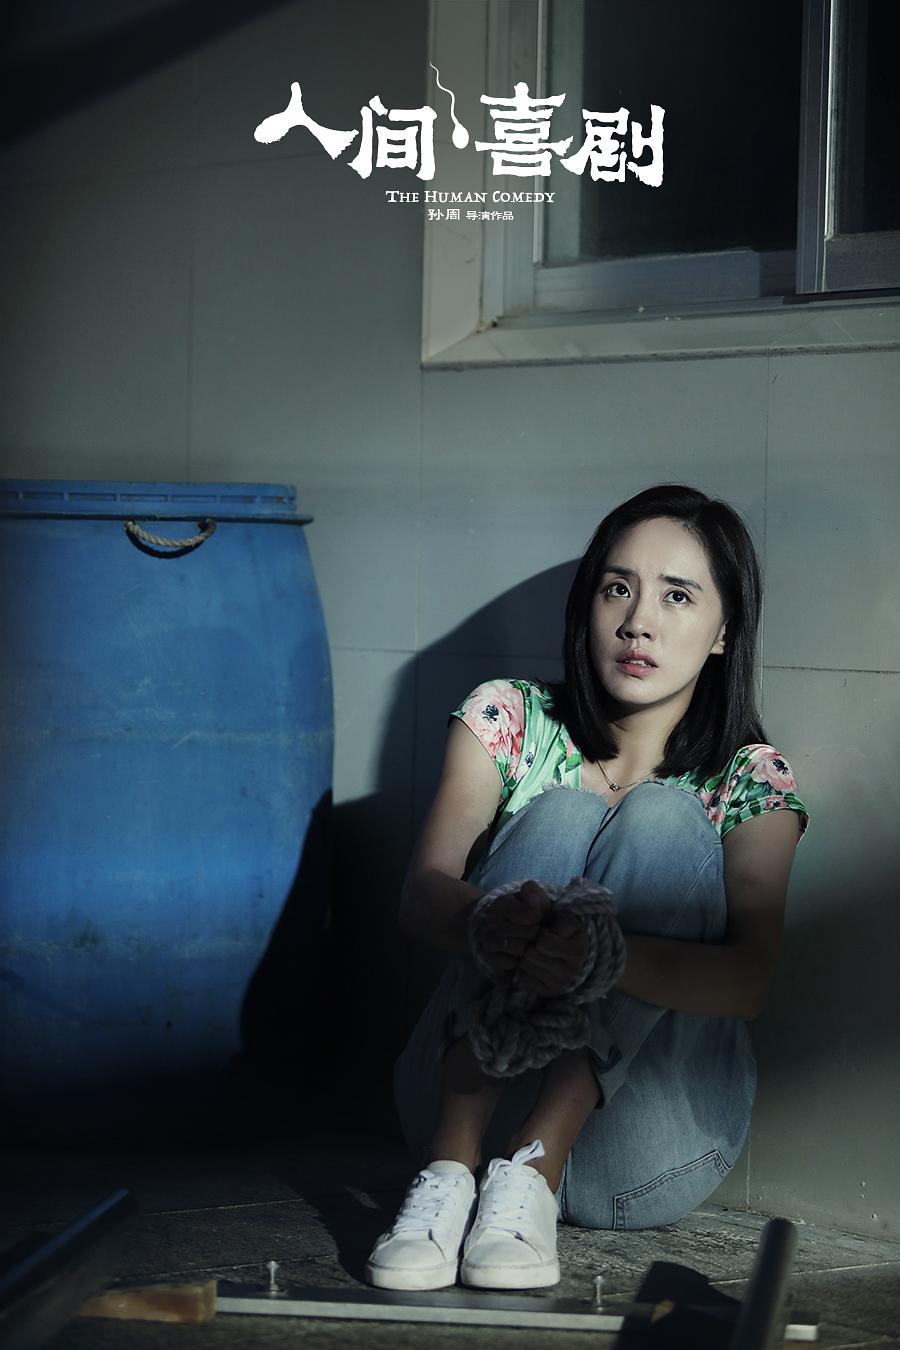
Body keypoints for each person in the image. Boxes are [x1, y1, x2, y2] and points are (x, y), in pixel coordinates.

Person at [366, 484, 810, 1293]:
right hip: (465, 1106)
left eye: (678, 596)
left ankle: (538, 1165)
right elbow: (421, 894)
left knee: (662, 816)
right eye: (618, 588)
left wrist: (598, 955)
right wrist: (495, 920)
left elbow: (749, 982)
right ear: (589, 605)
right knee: (563, 810)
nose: (639, 621)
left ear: (724, 632)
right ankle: (448, 1171)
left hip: (639, 1151)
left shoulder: (748, 779)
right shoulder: (509, 719)